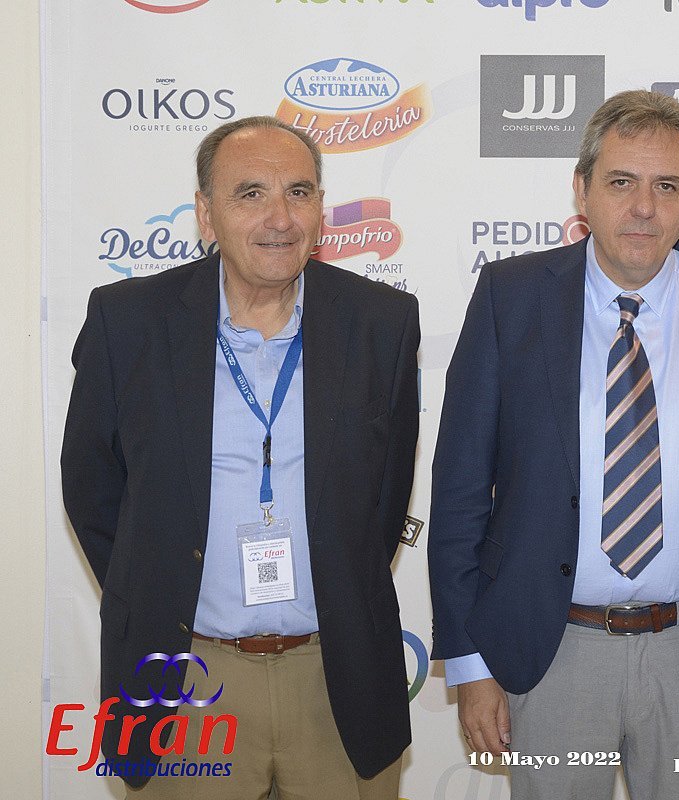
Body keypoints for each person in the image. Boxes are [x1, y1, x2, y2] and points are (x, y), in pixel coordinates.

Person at [428, 89, 679, 799]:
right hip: (552, 650)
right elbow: (461, 487)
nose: (643, 207)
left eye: (667, 187)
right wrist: (469, 664)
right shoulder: (510, 297)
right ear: (583, 190)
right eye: (622, 182)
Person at [61, 116, 419, 798]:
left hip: (336, 676)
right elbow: (91, 488)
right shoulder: (128, 321)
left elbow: (384, 496)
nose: (279, 218)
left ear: (321, 208)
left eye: (299, 192)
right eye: (250, 194)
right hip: (186, 678)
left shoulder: (383, 322)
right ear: (206, 213)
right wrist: (157, 586)